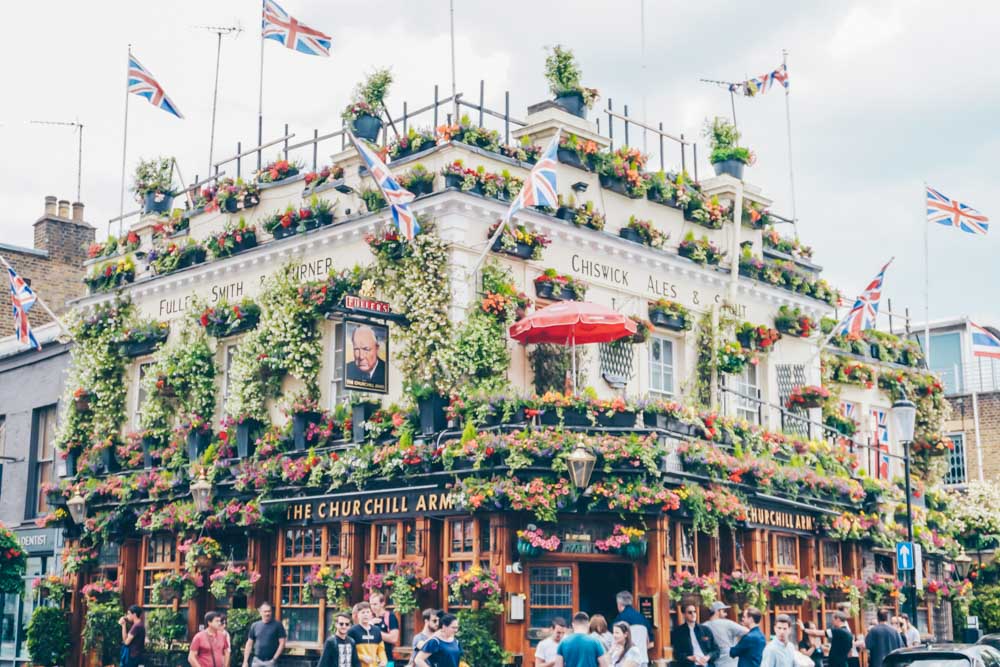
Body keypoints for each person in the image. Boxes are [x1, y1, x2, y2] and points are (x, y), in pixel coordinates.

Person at [613, 592, 653, 666]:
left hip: (627, 662)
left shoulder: (619, 620)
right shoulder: (643, 619)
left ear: (619, 604)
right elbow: (651, 644)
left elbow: (615, 642)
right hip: (643, 660)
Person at [703, 602, 747, 667]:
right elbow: (748, 632)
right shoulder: (727, 623)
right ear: (717, 611)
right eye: (724, 611)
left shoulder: (703, 626)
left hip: (714, 662)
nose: (726, 614)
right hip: (730, 662)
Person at [242, 602, 286, 667]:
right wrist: (245, 661)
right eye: (265, 611)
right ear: (260, 612)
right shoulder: (255, 625)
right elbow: (249, 644)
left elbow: (282, 643)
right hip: (257, 661)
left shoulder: (278, 625)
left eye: (269, 611)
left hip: (270, 661)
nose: (267, 613)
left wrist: (274, 659)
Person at [349, 602, 388, 667]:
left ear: (371, 614)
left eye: (368, 612)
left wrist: (383, 660)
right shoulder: (352, 631)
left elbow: (381, 649)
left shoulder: (377, 630)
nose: (365, 615)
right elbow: (349, 651)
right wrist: (362, 657)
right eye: (363, 612)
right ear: (358, 615)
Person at [370, 593, 400, 667]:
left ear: (382, 603)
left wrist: (374, 631)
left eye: (375, 604)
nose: (373, 607)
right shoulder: (370, 618)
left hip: (387, 659)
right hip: (371, 660)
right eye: (371, 604)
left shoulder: (390, 617)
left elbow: (394, 638)